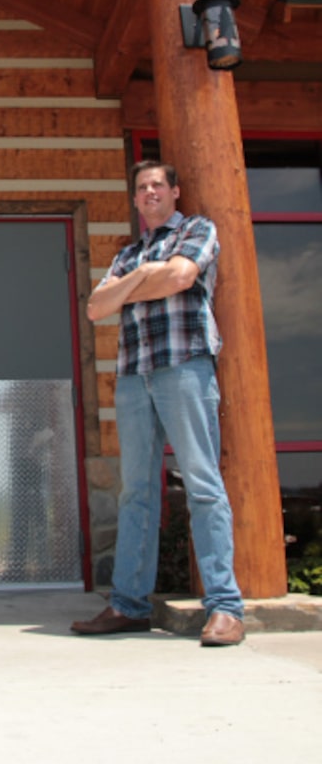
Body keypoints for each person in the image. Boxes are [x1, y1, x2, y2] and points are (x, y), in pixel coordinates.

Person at [71, 160, 244, 647]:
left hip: (184, 367)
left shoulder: (197, 229)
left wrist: (134, 286)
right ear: (134, 198)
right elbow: (95, 307)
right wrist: (144, 274)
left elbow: (181, 277)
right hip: (133, 377)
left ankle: (226, 608)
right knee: (136, 493)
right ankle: (128, 605)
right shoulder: (130, 253)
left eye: (156, 185)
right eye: (141, 187)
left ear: (174, 191)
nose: (149, 192)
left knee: (203, 484)